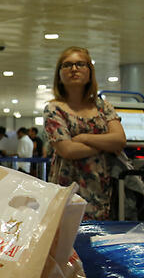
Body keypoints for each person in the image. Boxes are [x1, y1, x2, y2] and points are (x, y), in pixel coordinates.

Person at [43, 46, 125, 220]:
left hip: (104, 191)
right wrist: (105, 145)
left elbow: (119, 140)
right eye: (67, 65)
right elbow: (68, 150)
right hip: (68, 191)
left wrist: (84, 138)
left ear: (90, 71)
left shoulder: (103, 107)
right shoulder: (53, 109)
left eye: (80, 64)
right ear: (59, 73)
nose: (74, 69)